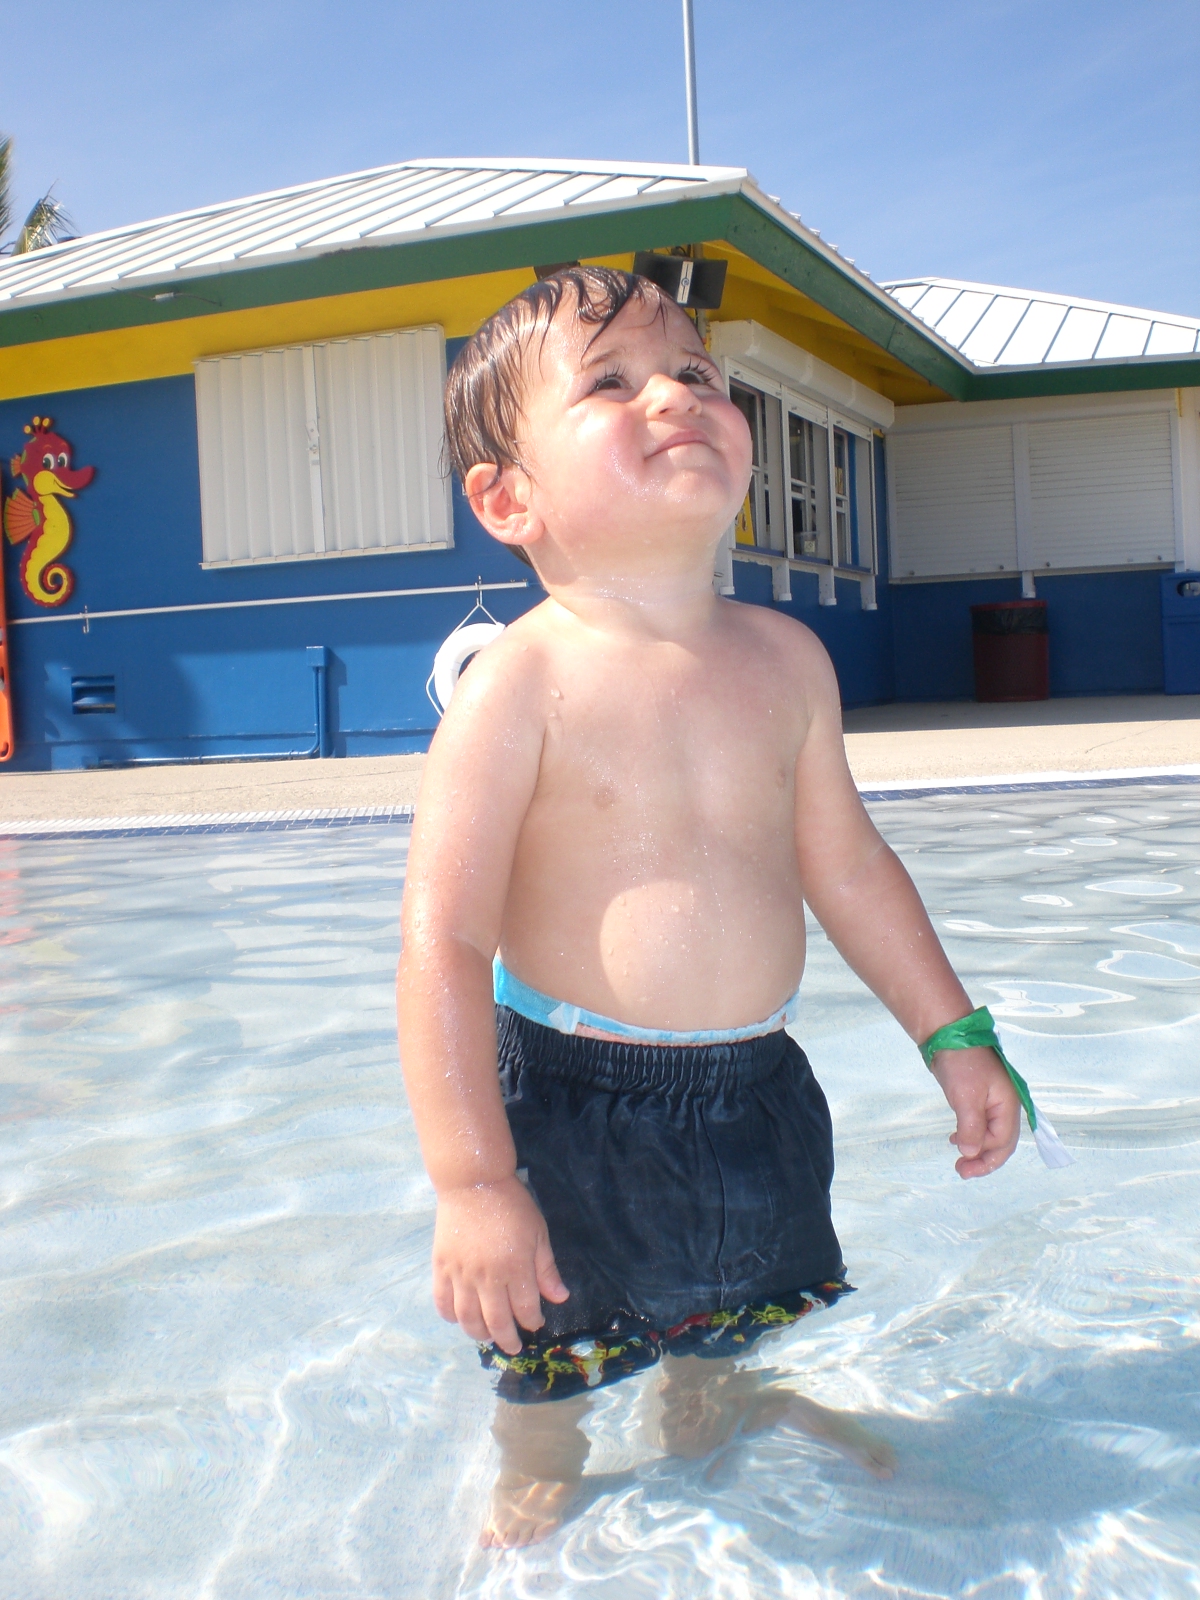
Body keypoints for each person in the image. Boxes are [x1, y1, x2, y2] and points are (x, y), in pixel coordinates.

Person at [396, 266, 1021, 1550]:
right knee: (554, 1343)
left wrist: (955, 1034)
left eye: (694, 372)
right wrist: (475, 1181)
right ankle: (541, 1465)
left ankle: (714, 1413)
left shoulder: (788, 659)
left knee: (730, 1311)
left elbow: (850, 868)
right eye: (612, 382)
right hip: (573, 1095)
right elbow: (442, 941)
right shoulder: (520, 683)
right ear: (508, 499)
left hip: (756, 1086)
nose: (674, 395)